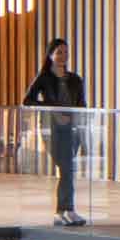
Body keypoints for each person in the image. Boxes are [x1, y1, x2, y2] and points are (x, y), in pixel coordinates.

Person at [25, 38, 90, 227]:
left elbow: (82, 104)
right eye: (59, 52)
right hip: (53, 128)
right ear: (51, 54)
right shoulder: (44, 78)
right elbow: (28, 100)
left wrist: (78, 119)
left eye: (66, 52)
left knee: (68, 169)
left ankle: (65, 210)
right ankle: (64, 209)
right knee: (66, 168)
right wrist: (52, 109)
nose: (63, 56)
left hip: (72, 128)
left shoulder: (75, 79)